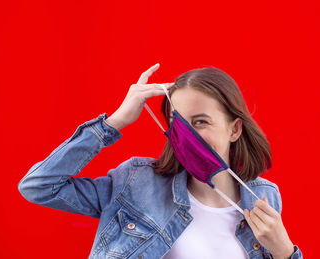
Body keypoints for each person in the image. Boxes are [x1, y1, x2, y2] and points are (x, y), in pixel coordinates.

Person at [18, 63, 303, 259]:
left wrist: (284, 251)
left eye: (201, 121)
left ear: (235, 129)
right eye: (178, 123)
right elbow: (39, 186)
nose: (188, 135)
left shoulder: (264, 197)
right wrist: (114, 123)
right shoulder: (135, 183)